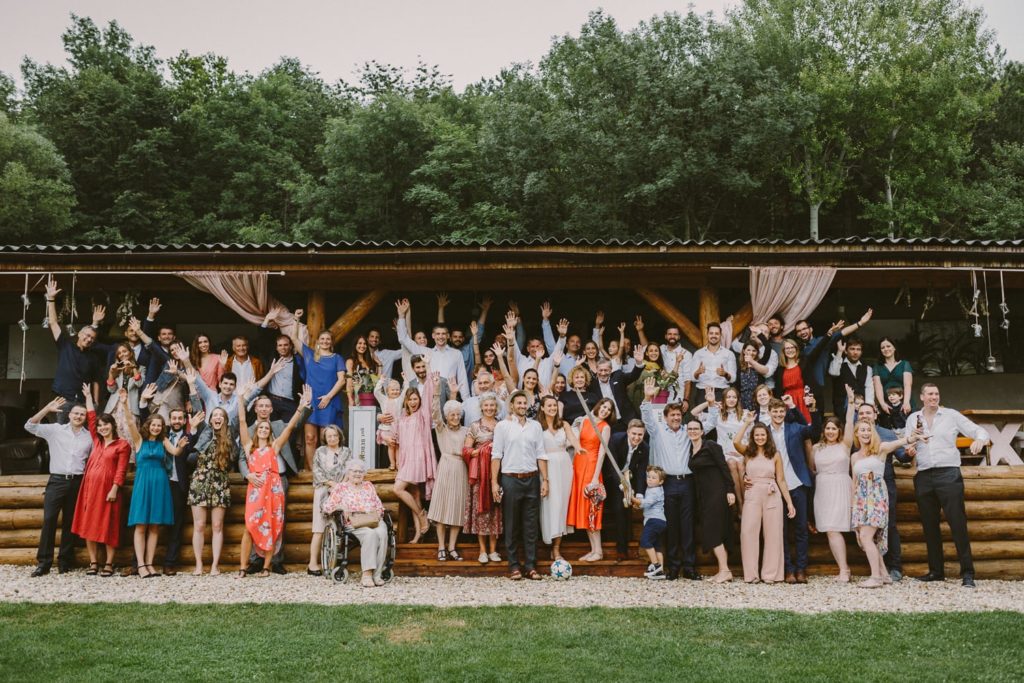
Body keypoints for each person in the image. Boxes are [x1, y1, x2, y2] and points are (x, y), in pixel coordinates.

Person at [907, 384, 990, 588]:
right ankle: (936, 571)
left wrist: (979, 441)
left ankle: (968, 573)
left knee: (957, 523)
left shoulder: (951, 415)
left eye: (936, 394)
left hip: (948, 474)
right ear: (922, 397)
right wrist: (909, 448)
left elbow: (979, 430)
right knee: (930, 525)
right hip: (924, 475)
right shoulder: (913, 418)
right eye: (930, 394)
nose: (934, 397)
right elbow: (908, 443)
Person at [736, 395, 820, 584]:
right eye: (775, 411)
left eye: (782, 411)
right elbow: (751, 456)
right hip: (774, 489)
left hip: (796, 483)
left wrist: (806, 408)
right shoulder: (764, 433)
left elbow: (814, 430)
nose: (779, 414)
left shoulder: (795, 428)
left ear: (786, 412)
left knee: (800, 529)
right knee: (777, 532)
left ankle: (801, 569)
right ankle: (787, 570)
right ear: (770, 412)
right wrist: (746, 476)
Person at [236, 385, 310, 578]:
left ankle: (268, 566)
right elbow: (242, 421)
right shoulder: (248, 446)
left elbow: (291, 426)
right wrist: (240, 399)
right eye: (260, 427)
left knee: (273, 524)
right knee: (250, 526)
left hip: (274, 486)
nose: (262, 429)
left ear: (269, 430)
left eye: (266, 428)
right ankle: (245, 566)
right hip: (256, 488)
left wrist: (301, 407)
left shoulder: (274, 446)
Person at [25, 396, 94, 576]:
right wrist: (47, 409)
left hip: (78, 482)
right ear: (69, 415)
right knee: (49, 520)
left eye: (82, 414)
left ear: (85, 418)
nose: (79, 416)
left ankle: (65, 561)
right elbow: (30, 426)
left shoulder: (89, 437)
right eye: (76, 413)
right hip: (57, 480)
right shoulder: (56, 430)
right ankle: (44, 563)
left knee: (71, 522)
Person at [640, 377, 699, 581]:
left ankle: (690, 567)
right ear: (665, 417)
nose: (675, 418)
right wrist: (647, 397)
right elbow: (646, 417)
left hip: (687, 482)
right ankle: (673, 567)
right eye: (672, 415)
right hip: (668, 484)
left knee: (688, 525)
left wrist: (710, 404)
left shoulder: (688, 432)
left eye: (677, 414)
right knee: (671, 526)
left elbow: (708, 424)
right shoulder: (657, 432)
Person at [124, 406, 194, 578]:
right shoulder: (139, 440)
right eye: (153, 425)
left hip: (160, 483)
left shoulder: (163, 441)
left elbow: (176, 452)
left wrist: (182, 444)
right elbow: (130, 422)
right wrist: (126, 404)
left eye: (159, 425)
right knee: (141, 525)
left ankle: (150, 563)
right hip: (143, 483)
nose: (156, 428)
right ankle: (140, 565)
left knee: (154, 526)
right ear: (148, 425)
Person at [850, 420, 919, 588]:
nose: (865, 433)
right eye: (862, 430)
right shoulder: (854, 456)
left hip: (877, 497)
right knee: (865, 539)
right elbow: (854, 483)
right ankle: (885, 575)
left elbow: (899, 442)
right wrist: (852, 507)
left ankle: (875, 577)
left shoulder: (880, 449)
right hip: (860, 500)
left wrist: (912, 438)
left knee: (867, 537)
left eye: (868, 430)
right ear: (857, 434)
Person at [70, 389, 131, 577]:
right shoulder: (96, 441)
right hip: (89, 489)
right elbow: (90, 416)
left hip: (108, 491)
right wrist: (88, 397)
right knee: (89, 525)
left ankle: (109, 563)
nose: (102, 428)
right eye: (100, 426)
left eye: (106, 425)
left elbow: (121, 470)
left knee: (109, 525)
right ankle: (94, 562)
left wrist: (114, 489)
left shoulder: (122, 445)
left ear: (113, 426)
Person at [491, 390, 548, 581]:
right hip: (510, 479)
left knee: (531, 526)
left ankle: (531, 566)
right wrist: (494, 483)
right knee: (512, 524)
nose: (523, 406)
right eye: (519, 403)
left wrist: (545, 480)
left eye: (525, 403)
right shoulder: (503, 426)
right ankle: (514, 566)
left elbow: (541, 454)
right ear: (512, 406)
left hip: (532, 478)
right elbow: (496, 455)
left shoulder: (535, 426)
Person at [733, 421, 796, 583]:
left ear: (767, 436)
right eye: (757, 435)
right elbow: (735, 442)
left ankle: (770, 574)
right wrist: (747, 424)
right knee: (748, 532)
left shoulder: (775, 454)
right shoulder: (748, 452)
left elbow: (781, 480)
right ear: (753, 437)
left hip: (771, 492)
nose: (760, 437)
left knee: (773, 534)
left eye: (763, 434)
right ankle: (751, 575)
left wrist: (789, 502)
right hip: (752, 493)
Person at [43, 276, 105, 423]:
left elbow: (96, 381)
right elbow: (53, 323)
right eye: (87, 336)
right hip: (63, 398)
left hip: (83, 401)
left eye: (92, 339)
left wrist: (95, 403)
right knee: (62, 434)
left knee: (83, 438)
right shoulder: (65, 344)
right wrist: (50, 299)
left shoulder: (93, 357)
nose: (89, 339)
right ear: (79, 334)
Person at [811, 389, 856, 582]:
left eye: (834, 428)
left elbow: (850, 424)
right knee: (831, 528)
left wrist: (852, 403)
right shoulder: (815, 448)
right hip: (823, 489)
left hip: (842, 486)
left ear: (839, 431)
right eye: (827, 428)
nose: (830, 431)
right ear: (823, 431)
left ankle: (879, 569)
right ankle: (844, 569)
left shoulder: (845, 445)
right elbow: (812, 469)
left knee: (858, 528)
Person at [322, 459, 390, 587]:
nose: (357, 474)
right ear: (348, 472)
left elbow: (378, 504)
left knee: (382, 532)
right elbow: (326, 507)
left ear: (364, 474)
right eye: (354, 471)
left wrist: (378, 514)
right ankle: (367, 574)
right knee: (370, 535)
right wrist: (341, 506)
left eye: (360, 471)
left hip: (372, 519)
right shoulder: (341, 488)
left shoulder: (368, 485)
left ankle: (377, 574)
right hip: (354, 522)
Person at [687, 418, 737, 583]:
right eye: (690, 429)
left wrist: (730, 490)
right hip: (704, 496)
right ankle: (722, 570)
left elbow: (724, 467)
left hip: (717, 492)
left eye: (696, 428)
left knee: (713, 531)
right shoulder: (689, 450)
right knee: (714, 531)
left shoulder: (711, 446)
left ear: (702, 431)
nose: (693, 431)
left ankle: (725, 570)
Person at [187, 406, 235, 576]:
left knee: (217, 525)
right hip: (200, 481)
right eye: (214, 415)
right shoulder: (203, 433)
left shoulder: (229, 436)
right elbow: (189, 454)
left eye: (221, 415)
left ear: (225, 420)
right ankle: (199, 564)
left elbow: (233, 459)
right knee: (199, 525)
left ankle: (215, 565)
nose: (218, 417)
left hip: (219, 483)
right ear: (210, 420)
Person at [537, 396, 585, 560]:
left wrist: (579, 448)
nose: (552, 408)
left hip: (564, 466)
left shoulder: (563, 424)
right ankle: (548, 542)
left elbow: (572, 439)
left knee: (562, 506)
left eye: (554, 405)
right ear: (542, 408)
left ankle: (557, 548)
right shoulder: (537, 427)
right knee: (551, 504)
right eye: (549, 405)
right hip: (547, 467)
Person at [428, 377, 470, 561]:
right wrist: (437, 390)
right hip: (445, 467)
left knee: (457, 508)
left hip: (461, 468)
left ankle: (452, 547)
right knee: (443, 508)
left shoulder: (466, 431)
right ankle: (441, 547)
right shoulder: (441, 429)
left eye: (457, 414)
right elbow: (434, 412)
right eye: (451, 414)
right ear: (447, 416)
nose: (455, 417)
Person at [393, 372, 438, 544]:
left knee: (397, 489)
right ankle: (418, 534)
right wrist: (398, 461)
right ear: (406, 401)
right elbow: (398, 442)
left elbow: (428, 395)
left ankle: (422, 515)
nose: (414, 402)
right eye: (410, 399)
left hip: (418, 458)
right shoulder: (402, 419)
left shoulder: (422, 415)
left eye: (415, 399)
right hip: (406, 460)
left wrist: (427, 371)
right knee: (414, 494)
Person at [396, 298, 470, 400]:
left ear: (448, 336)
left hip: (450, 394)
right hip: (430, 393)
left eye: (444, 334)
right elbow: (403, 339)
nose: (441, 336)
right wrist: (401, 316)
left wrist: (466, 401)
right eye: (438, 334)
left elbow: (462, 379)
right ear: (433, 336)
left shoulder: (456, 353)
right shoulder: (425, 352)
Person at [567, 398, 613, 562]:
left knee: (592, 509)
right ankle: (593, 549)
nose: (605, 410)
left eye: (609, 409)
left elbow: (602, 453)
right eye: (604, 406)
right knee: (585, 511)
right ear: (598, 405)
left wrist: (595, 478)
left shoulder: (605, 427)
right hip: (578, 466)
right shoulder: (585, 419)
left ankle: (598, 551)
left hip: (592, 468)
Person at [297, 328, 347, 470]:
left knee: (327, 439)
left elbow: (342, 380)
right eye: (322, 339)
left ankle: (327, 470)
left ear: (331, 342)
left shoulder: (337, 358)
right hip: (311, 401)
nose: (325, 341)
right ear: (318, 341)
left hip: (329, 401)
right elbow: (294, 339)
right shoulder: (310, 355)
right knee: (310, 438)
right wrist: (296, 320)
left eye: (328, 339)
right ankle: (314, 472)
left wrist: (328, 397)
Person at [462, 393, 503, 564]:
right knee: (481, 512)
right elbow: (465, 450)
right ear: (481, 407)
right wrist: (478, 452)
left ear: (496, 407)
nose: (489, 408)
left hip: (497, 473)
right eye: (486, 406)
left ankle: (494, 550)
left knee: (495, 510)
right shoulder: (474, 426)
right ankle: (482, 550)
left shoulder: (502, 425)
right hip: (479, 475)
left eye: (492, 405)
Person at [604, 419, 649, 561]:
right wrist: (622, 486)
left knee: (628, 508)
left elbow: (642, 472)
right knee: (619, 508)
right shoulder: (617, 439)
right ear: (628, 432)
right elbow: (612, 466)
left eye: (640, 435)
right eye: (634, 434)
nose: (637, 438)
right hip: (612, 478)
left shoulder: (645, 448)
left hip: (631, 479)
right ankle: (621, 551)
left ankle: (627, 542)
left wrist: (640, 494)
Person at [694, 386, 746, 509]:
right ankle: (740, 504)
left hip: (742, 451)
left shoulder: (745, 414)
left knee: (740, 465)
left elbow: (749, 436)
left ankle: (746, 504)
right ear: (723, 399)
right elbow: (694, 413)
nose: (731, 399)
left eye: (734, 397)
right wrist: (710, 402)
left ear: (738, 399)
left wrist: (744, 452)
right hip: (727, 453)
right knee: (733, 464)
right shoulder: (717, 414)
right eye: (728, 397)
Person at [309, 425, 350, 576]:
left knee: (339, 526)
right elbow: (317, 471)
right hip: (323, 490)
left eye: (335, 435)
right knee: (319, 527)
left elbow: (349, 469)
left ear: (339, 436)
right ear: (325, 438)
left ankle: (335, 561)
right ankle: (313, 563)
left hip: (341, 490)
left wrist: (340, 485)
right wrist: (331, 483)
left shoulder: (346, 452)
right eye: (329, 436)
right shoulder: (320, 452)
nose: (332, 438)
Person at [633, 465, 667, 579]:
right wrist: (638, 503)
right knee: (657, 545)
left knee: (645, 541)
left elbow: (646, 503)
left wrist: (632, 498)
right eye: (649, 477)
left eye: (654, 478)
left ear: (661, 481)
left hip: (654, 520)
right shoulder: (653, 489)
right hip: (660, 521)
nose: (650, 479)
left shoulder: (655, 491)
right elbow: (644, 503)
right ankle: (660, 571)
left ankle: (656, 565)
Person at [690, 322, 737, 402]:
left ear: (720, 335)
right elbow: (692, 378)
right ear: (707, 334)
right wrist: (697, 372)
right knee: (701, 415)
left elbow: (733, 379)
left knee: (721, 415)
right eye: (711, 333)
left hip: (722, 392)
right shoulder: (698, 353)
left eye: (716, 333)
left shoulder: (729, 354)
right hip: (702, 393)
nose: (714, 336)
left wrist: (725, 374)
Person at [828, 337, 874, 416]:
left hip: (861, 409)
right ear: (846, 351)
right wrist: (839, 351)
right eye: (852, 349)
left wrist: (868, 407)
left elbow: (869, 388)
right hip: (842, 409)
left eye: (858, 349)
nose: (855, 352)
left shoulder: (867, 368)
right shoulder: (838, 363)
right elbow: (833, 372)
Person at [873, 337, 914, 419]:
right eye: (883, 347)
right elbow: (878, 387)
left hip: (905, 403)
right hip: (887, 405)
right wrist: (882, 404)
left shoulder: (904, 364)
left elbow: (907, 385)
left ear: (894, 347)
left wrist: (906, 402)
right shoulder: (877, 366)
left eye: (888, 346)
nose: (886, 349)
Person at [374, 377, 402, 470]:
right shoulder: (384, 400)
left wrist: (405, 381)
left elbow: (406, 390)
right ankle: (392, 463)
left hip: (398, 427)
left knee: (398, 446)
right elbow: (376, 392)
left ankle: (398, 464)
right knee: (391, 445)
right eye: (392, 390)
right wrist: (381, 381)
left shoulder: (399, 400)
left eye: (397, 390)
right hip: (387, 427)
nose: (395, 392)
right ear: (387, 391)